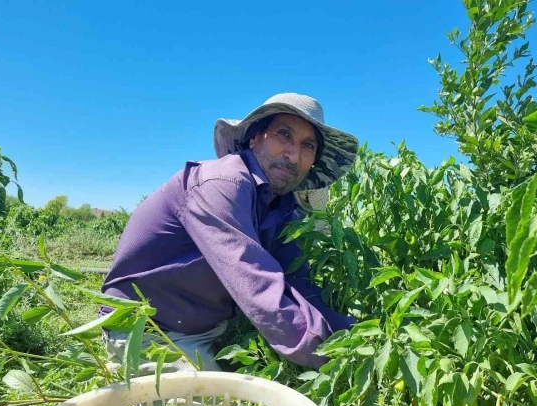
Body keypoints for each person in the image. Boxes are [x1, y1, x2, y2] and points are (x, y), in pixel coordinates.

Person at [100, 93, 359, 375]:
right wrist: (337, 356)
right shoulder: (223, 184)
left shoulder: (283, 207)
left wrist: (353, 333)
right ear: (254, 138)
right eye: (283, 135)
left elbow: (300, 282)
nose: (293, 155)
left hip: (210, 327)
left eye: (307, 146)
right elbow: (258, 287)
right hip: (148, 331)